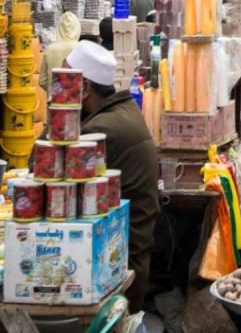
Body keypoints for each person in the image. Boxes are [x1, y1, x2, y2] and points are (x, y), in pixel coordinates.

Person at [65, 40, 160, 313]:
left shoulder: (99, 130)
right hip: (128, 256)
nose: (56, 91)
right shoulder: (123, 110)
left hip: (119, 270)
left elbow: (41, 163)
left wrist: (60, 115)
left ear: (83, 89)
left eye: (63, 83)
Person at [40, 12, 81, 95]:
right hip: (76, 101)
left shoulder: (50, 49)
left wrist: (53, 90)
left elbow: (42, 81)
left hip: (54, 100)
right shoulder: (80, 49)